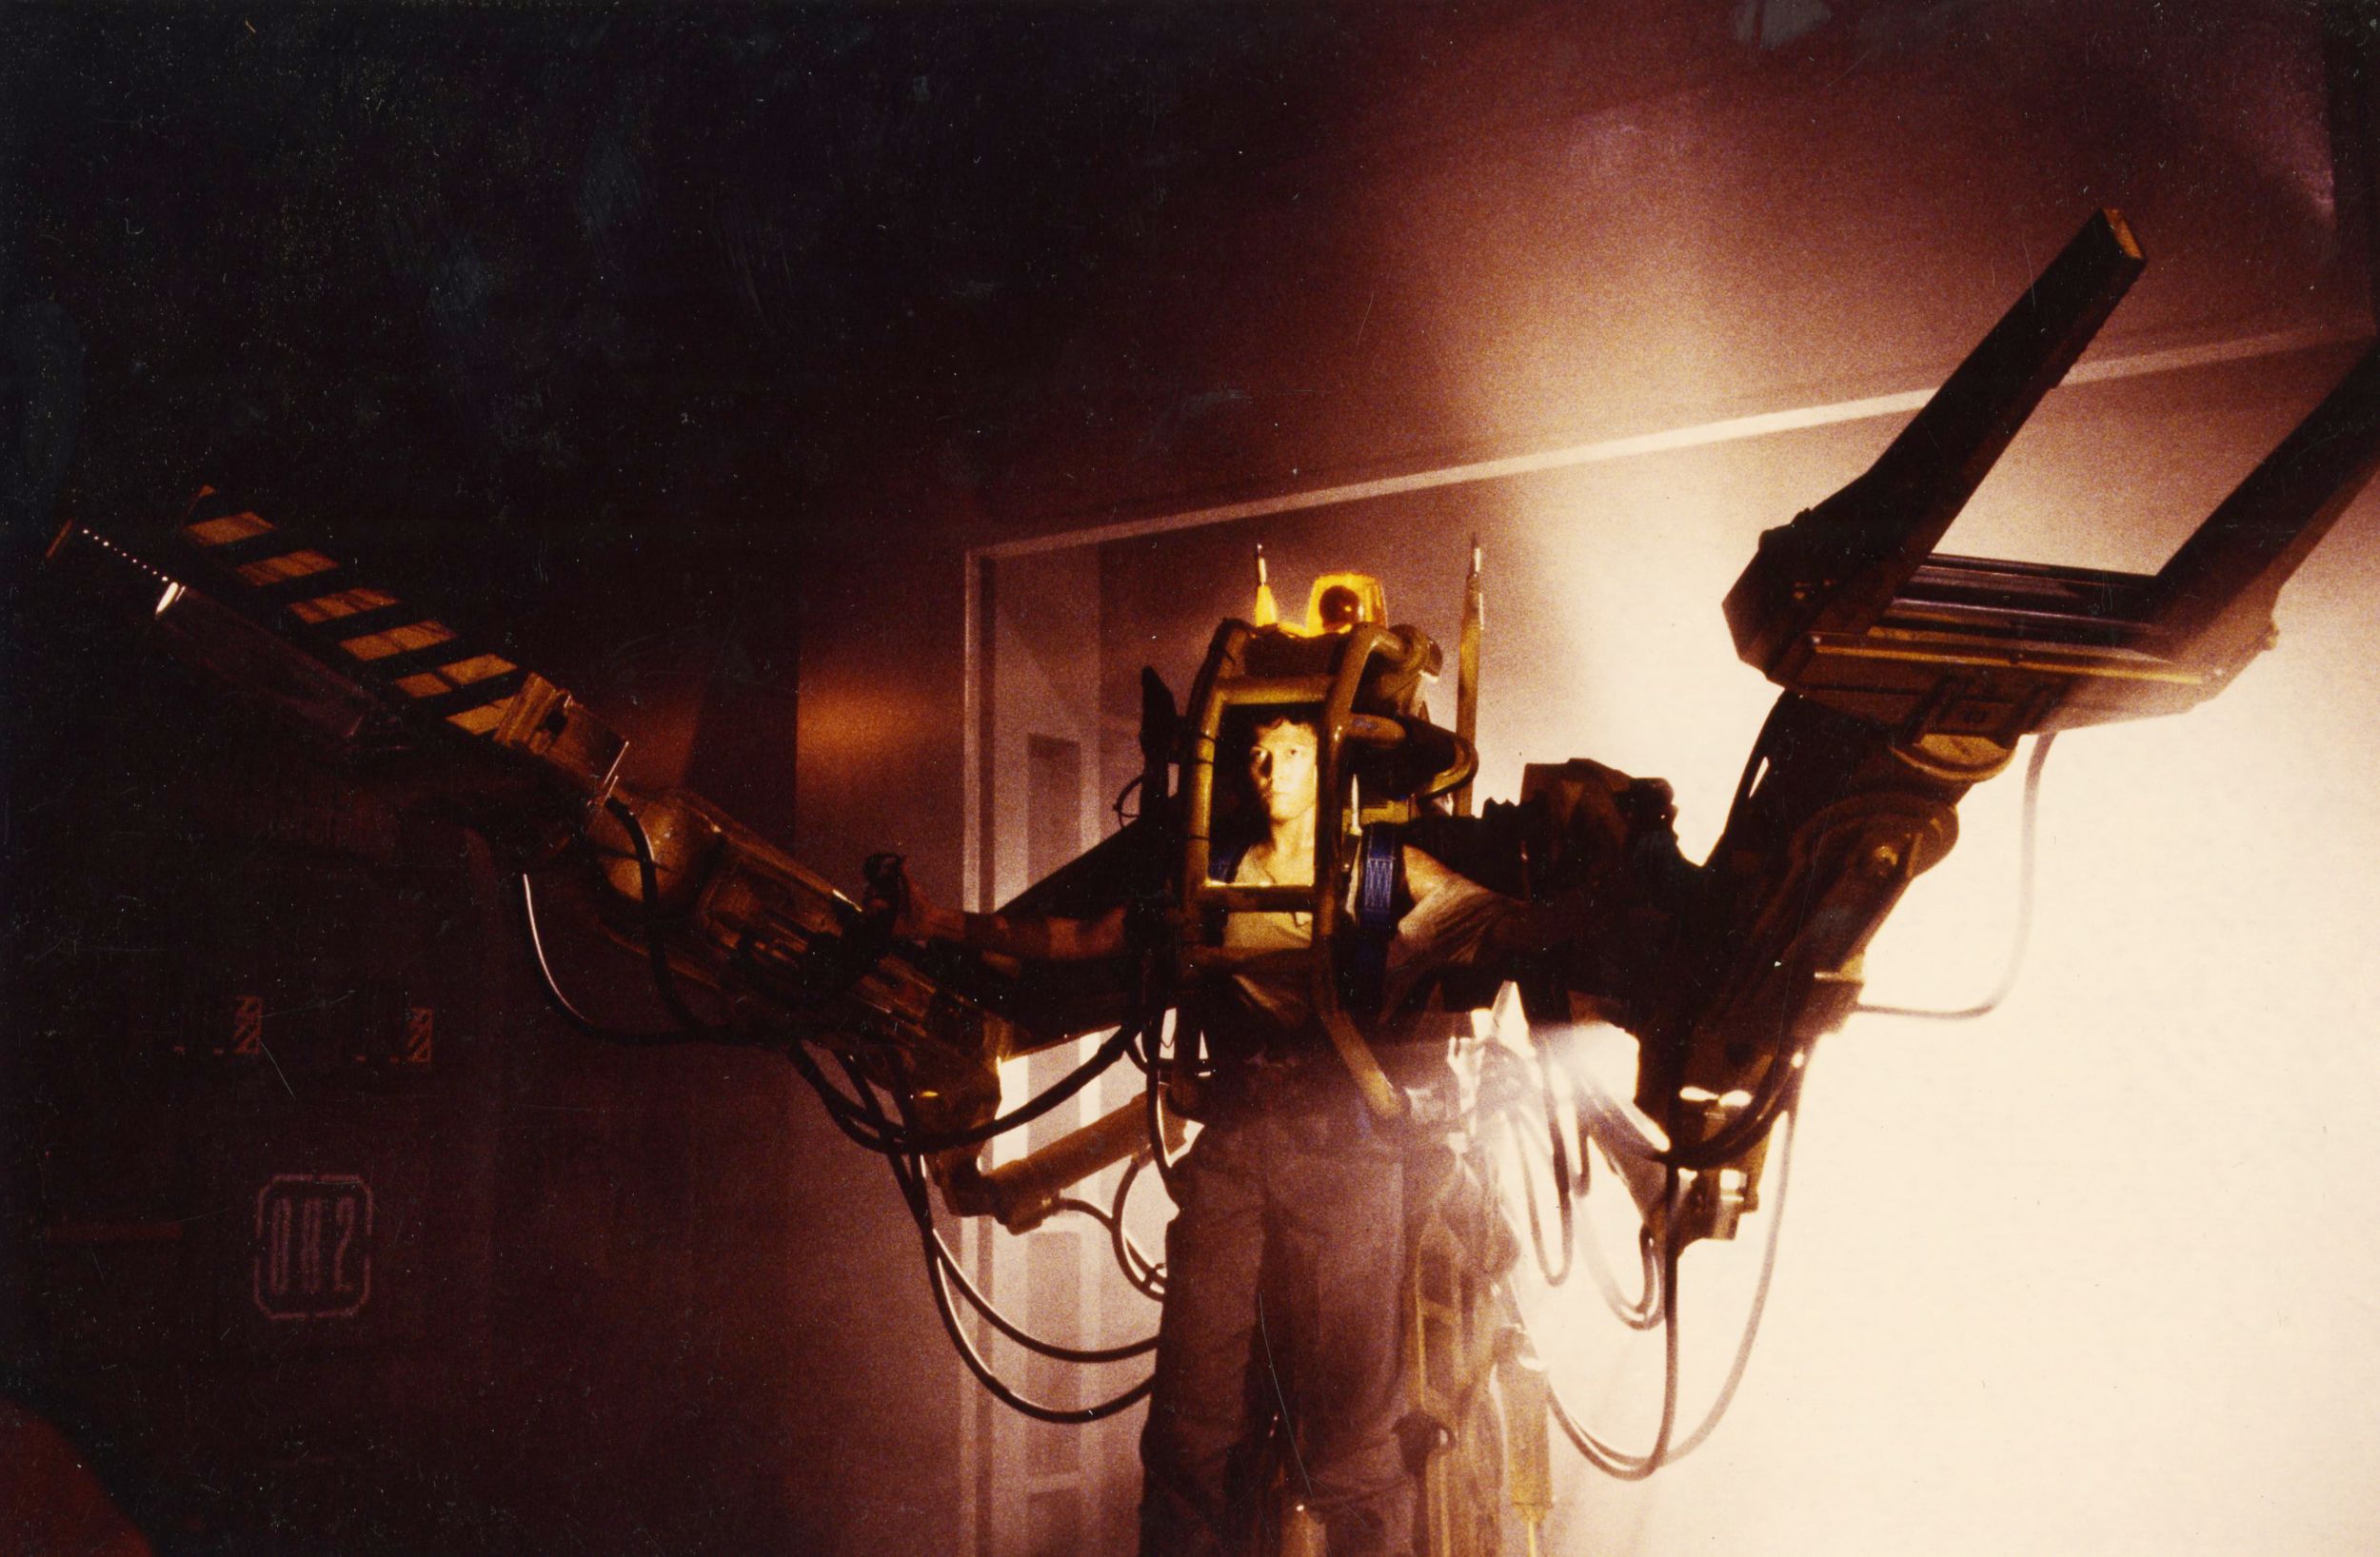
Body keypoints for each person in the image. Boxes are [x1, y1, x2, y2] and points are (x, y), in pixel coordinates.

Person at [896, 711, 1545, 1557]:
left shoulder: (1374, 867)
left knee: (1352, 1437)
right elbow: (1082, 936)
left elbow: (1479, 908)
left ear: (1328, 765)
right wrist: (942, 923)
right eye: (1260, 754)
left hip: (1346, 1150)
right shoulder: (1214, 875)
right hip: (1239, 1143)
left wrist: (1400, 956)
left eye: (1293, 751)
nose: (1272, 769)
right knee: (1188, 1427)